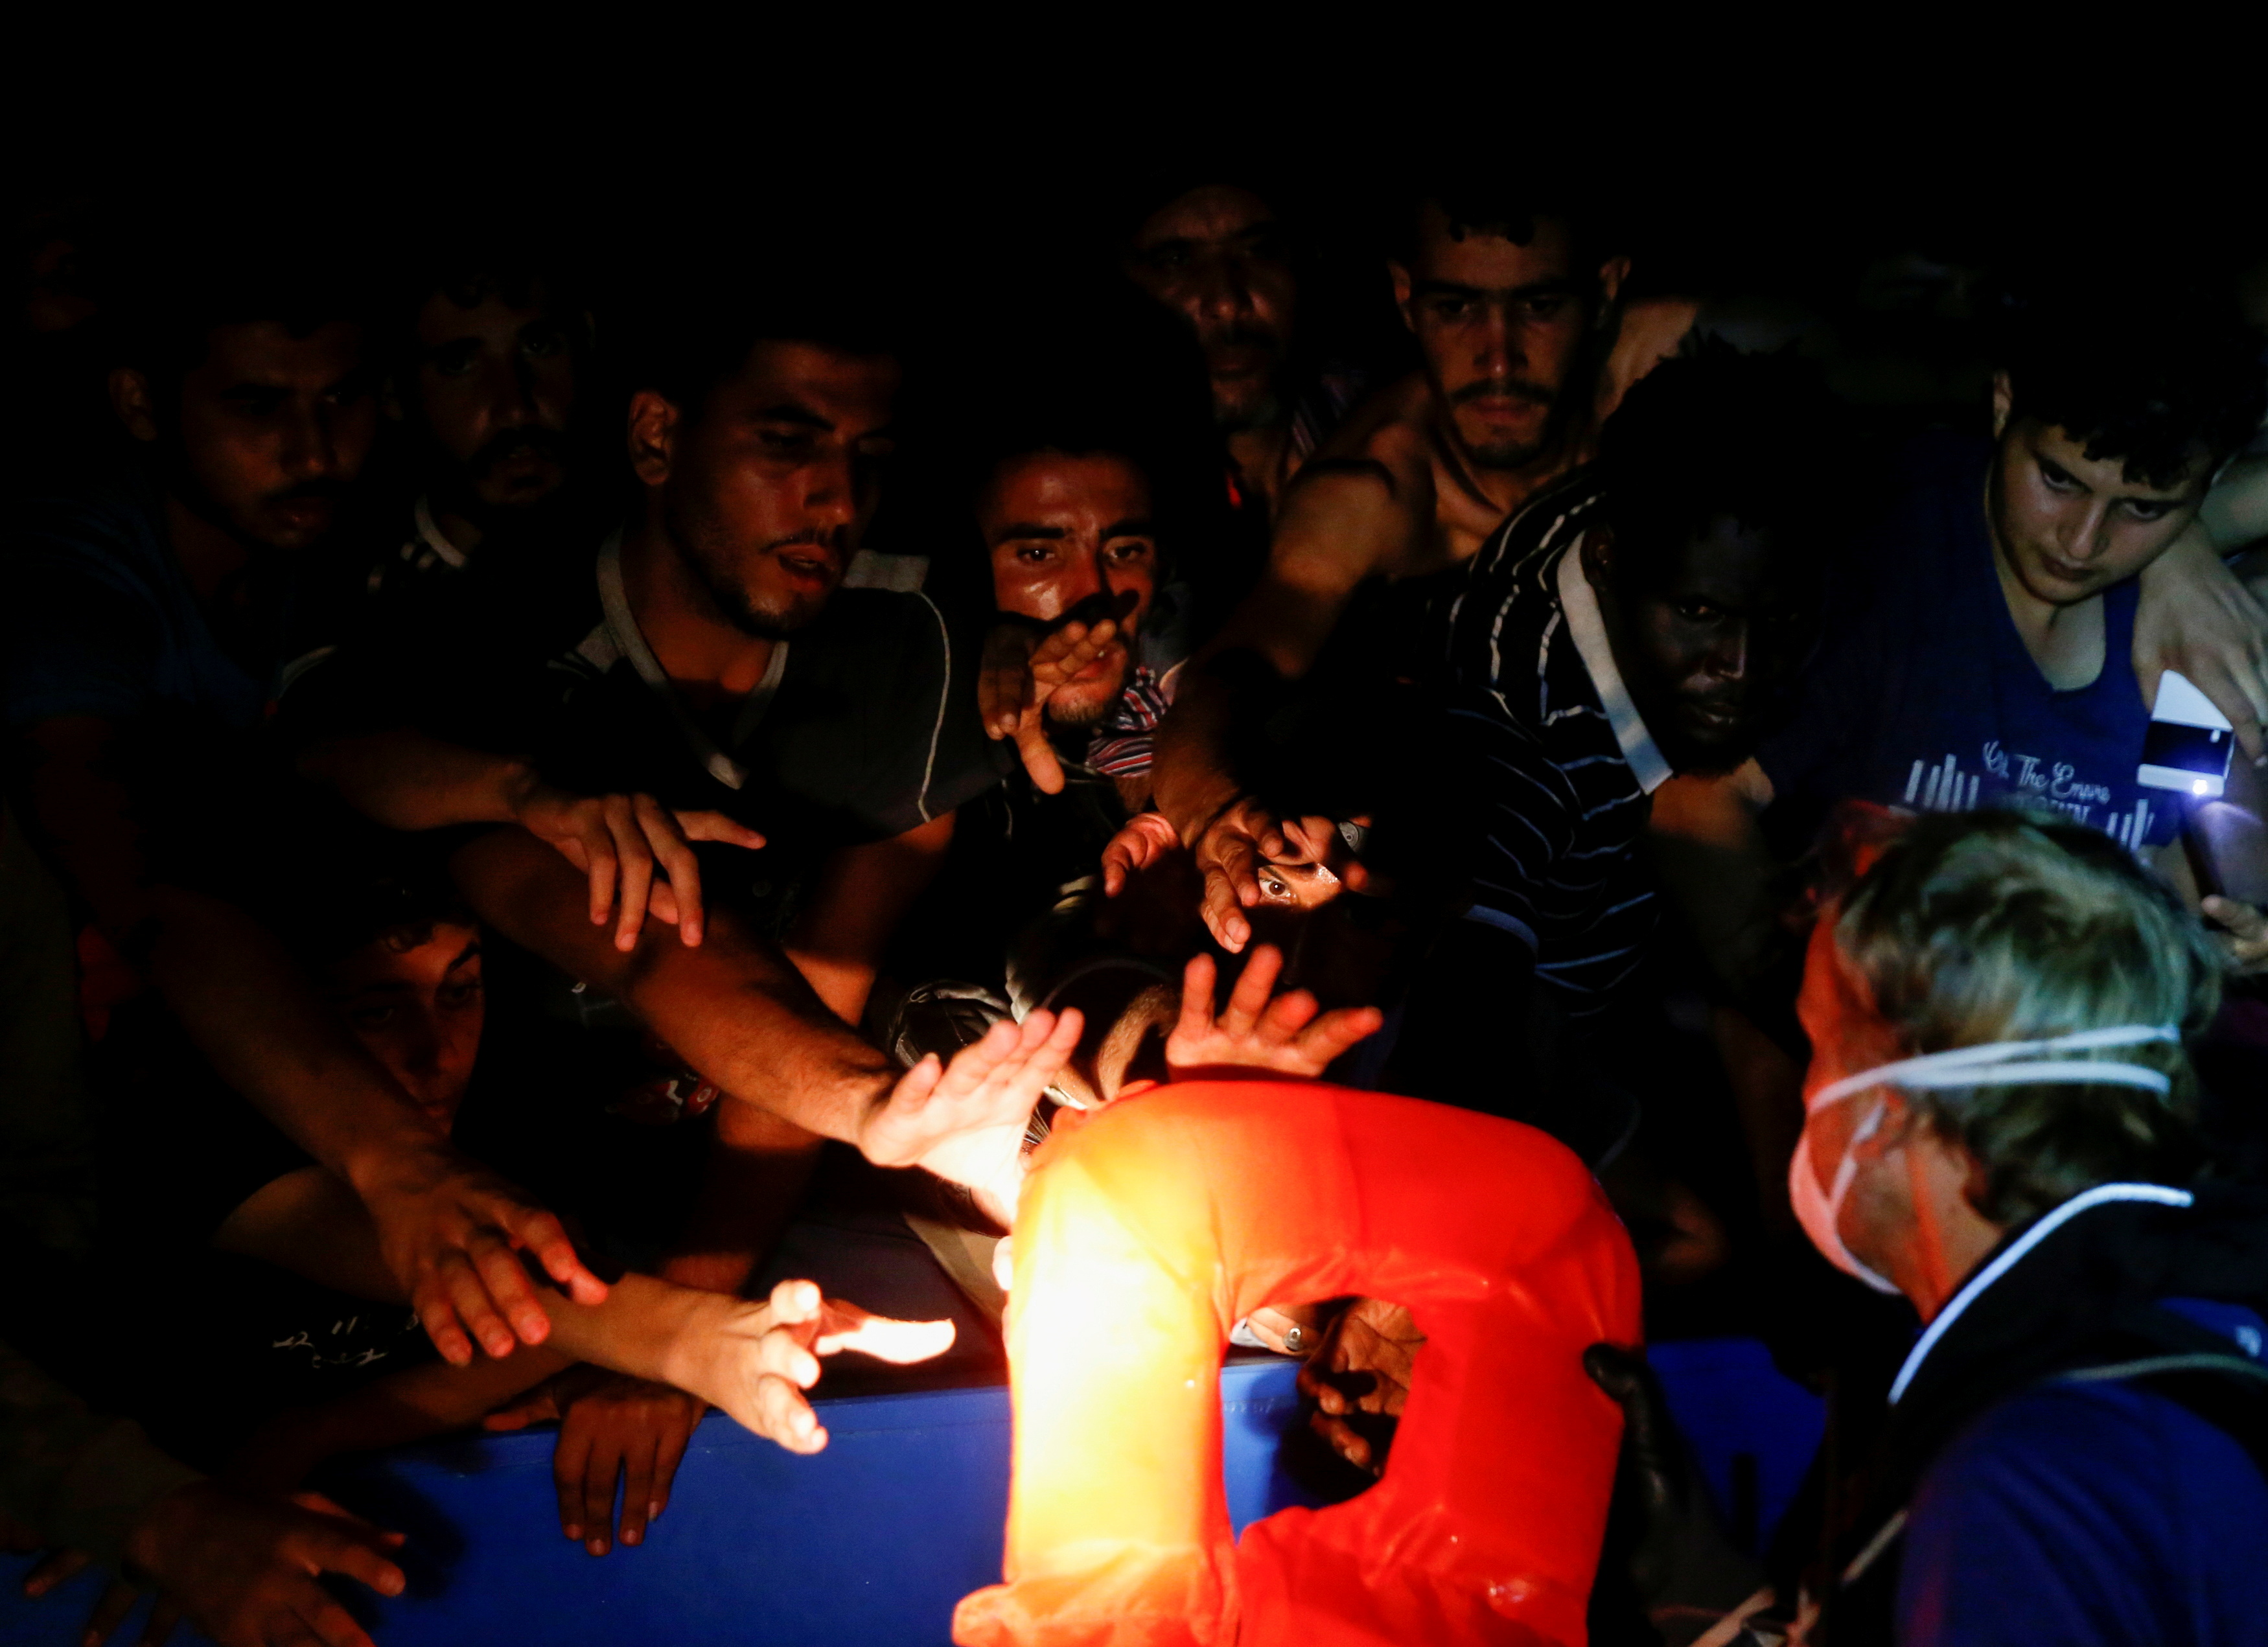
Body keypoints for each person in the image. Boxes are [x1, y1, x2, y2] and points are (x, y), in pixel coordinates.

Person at [0, 224, 607, 1376]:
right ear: (141, 403)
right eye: (258, 406)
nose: (314, 448)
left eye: (341, 400)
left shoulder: (335, 555)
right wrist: (398, 1166)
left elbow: (344, 748)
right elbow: (148, 895)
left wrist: (519, 790)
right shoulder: (69, 584)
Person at [1778, 810, 2267, 1643]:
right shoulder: (2181, 1314)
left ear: (1888, 1108)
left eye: (1816, 1045)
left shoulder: (2026, 1483)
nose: (1802, 1092)